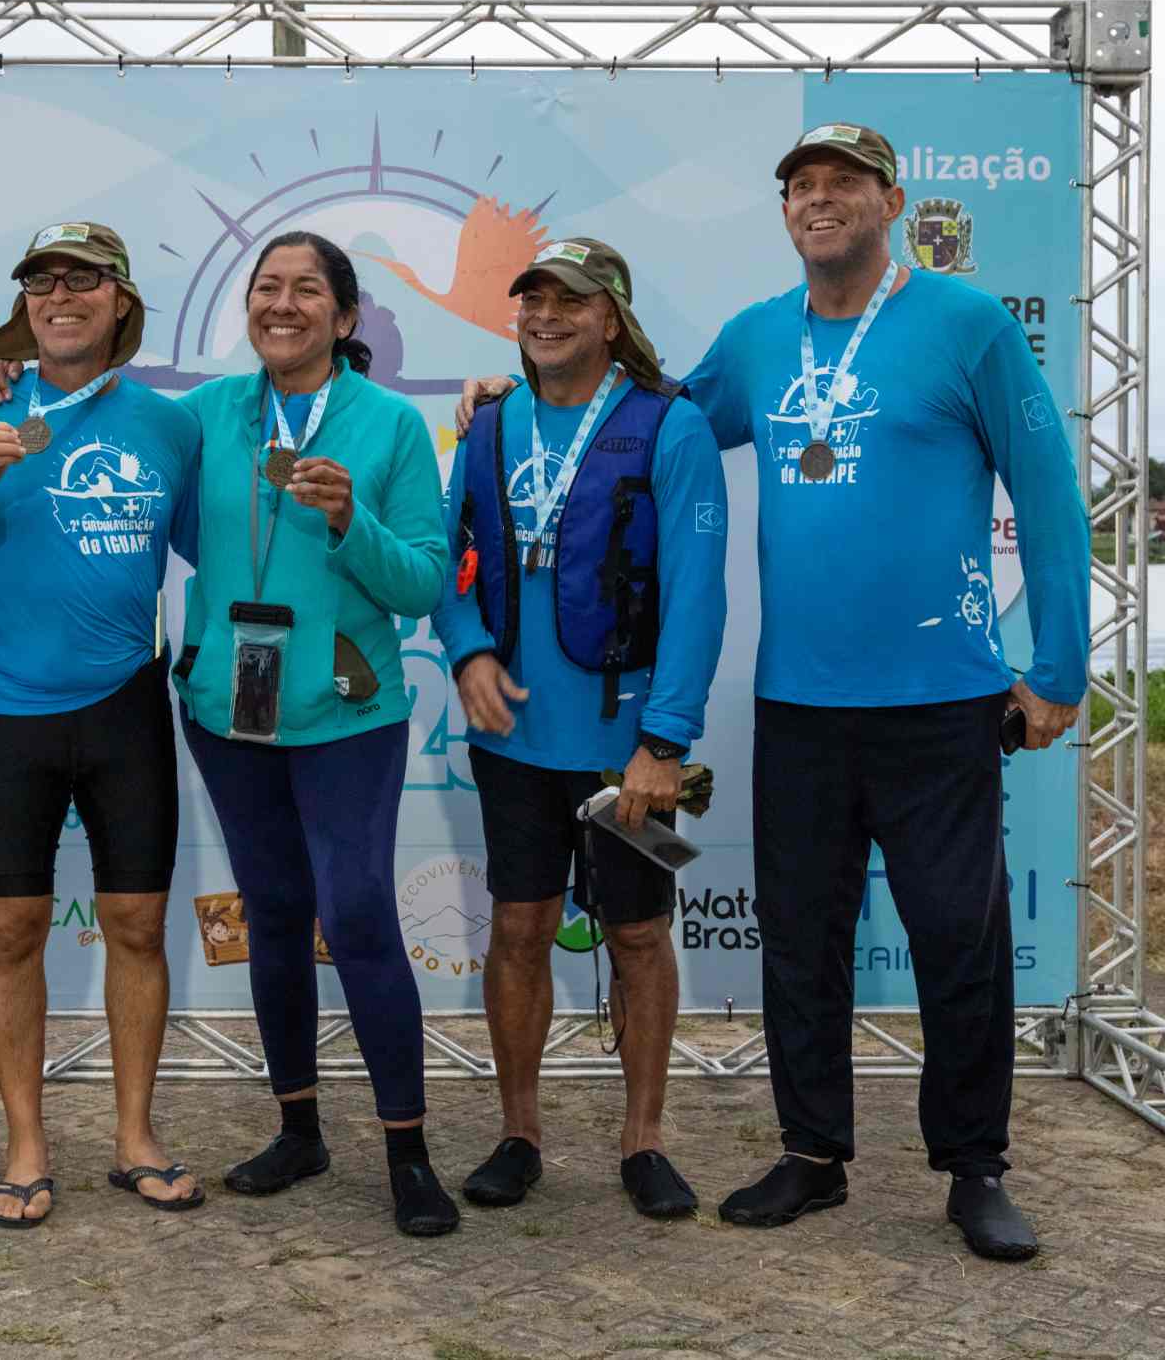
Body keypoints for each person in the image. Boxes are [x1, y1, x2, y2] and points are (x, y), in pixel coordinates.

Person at [456, 124, 1089, 1261]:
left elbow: (1046, 494)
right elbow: (638, 419)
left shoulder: (969, 324)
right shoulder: (758, 336)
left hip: (941, 694)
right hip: (798, 701)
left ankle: (975, 1167)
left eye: (844, 182)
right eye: (801, 185)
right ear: (785, 210)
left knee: (958, 937)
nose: (819, 198)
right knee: (800, 939)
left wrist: (1057, 670)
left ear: (892, 200)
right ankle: (813, 1153)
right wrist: (524, 390)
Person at [0, 231, 458, 1237]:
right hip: (232, 712)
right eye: (267, 287)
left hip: (347, 713)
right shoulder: (202, 416)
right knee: (272, 912)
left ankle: (407, 1150)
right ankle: (298, 1129)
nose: (283, 304)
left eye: (307, 290)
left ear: (344, 317)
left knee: (358, 913)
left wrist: (349, 522)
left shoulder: (392, 424)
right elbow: (141, 485)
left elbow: (422, 582)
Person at [0, 223, 203, 1226]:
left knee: (138, 925)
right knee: (15, 930)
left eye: (83, 280)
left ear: (121, 302)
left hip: (127, 705)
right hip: (8, 709)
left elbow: (225, 546)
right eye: (42, 281)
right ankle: (25, 1142)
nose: (60, 295)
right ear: (25, 304)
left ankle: (135, 1135)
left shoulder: (168, 424)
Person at [430, 238, 727, 1218]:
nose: (546, 315)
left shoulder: (671, 427)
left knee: (637, 933)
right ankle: (519, 1134)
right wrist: (467, 651)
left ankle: (644, 1141)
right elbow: (444, 555)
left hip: (624, 750)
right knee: (517, 930)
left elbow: (698, 595)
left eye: (571, 301)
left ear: (612, 317)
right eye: (533, 300)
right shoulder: (487, 423)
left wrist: (664, 741)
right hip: (512, 739)